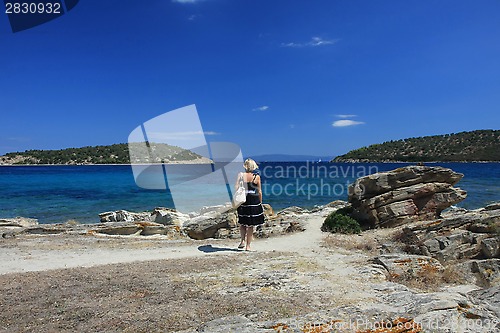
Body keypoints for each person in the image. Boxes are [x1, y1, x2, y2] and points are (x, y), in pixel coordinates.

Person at [236, 158, 264, 251]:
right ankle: (248, 246)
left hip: (243, 200)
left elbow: (236, 188)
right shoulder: (257, 177)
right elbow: (259, 191)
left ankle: (242, 241)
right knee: (251, 225)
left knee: (243, 222)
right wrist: (260, 202)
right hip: (253, 200)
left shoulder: (240, 175)